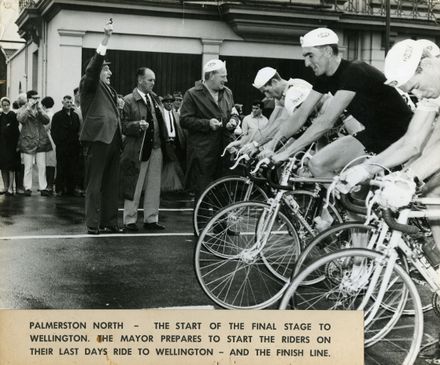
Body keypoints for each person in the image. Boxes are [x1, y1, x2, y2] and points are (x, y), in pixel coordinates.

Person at [334, 38, 440, 362]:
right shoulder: (432, 87)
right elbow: (411, 143)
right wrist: (368, 169)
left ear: (427, 65)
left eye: (417, 86)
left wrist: (409, 178)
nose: (417, 95)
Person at [269, 27, 413, 179]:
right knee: (317, 164)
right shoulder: (324, 77)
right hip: (376, 133)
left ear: (328, 51)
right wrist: (270, 146)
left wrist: (287, 152)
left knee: (354, 176)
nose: (306, 63)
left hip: (403, 133)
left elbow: (325, 122)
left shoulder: (354, 71)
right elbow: (300, 114)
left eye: (310, 55)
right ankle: (345, 200)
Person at [79, 20, 124, 234]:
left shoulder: (110, 90)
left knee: (111, 184)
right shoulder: (89, 84)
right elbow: (94, 66)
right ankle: (93, 224)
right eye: (106, 70)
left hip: (113, 139)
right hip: (98, 139)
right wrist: (105, 38)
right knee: (95, 184)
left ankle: (109, 221)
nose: (110, 73)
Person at [120, 67, 170, 232]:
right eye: (150, 80)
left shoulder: (155, 99)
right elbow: (122, 126)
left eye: (154, 80)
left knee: (154, 186)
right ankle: (129, 219)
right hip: (137, 149)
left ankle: (151, 219)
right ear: (140, 80)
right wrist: (137, 126)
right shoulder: (128, 100)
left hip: (156, 148)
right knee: (134, 184)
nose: (153, 83)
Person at [180, 59, 237, 199]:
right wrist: (207, 124)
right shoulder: (192, 94)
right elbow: (184, 120)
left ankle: (222, 221)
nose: (226, 80)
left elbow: (234, 112)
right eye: (223, 76)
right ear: (211, 75)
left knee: (223, 193)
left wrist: (234, 121)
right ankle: (202, 221)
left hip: (224, 151)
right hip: (203, 154)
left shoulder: (227, 92)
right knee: (203, 193)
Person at [17, 90, 52, 197]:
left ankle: (43, 188)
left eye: (38, 98)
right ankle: (27, 187)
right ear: (29, 99)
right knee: (28, 166)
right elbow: (20, 119)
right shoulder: (23, 109)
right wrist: (28, 108)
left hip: (40, 140)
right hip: (28, 140)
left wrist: (40, 110)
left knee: (42, 166)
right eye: (34, 98)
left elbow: (47, 120)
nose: (37, 100)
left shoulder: (40, 108)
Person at [51, 95, 81, 196]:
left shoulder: (75, 116)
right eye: (67, 102)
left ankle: (71, 189)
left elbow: (77, 130)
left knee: (73, 168)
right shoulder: (57, 116)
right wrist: (58, 143)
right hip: (62, 146)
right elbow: (53, 131)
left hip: (73, 146)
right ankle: (59, 188)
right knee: (61, 167)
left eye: (70, 102)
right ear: (63, 102)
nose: (69, 104)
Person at [161, 93, 186, 192]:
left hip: (175, 142)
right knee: (170, 163)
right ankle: (169, 186)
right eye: (167, 102)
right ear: (163, 103)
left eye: (171, 102)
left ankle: (171, 186)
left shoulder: (176, 114)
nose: (169, 104)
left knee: (174, 163)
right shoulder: (161, 114)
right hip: (166, 142)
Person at [0, 97, 20, 195]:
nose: (6, 107)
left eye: (7, 105)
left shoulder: (13, 115)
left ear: (10, 105)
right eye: (4, 105)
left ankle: (11, 188)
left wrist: (17, 145)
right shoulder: (0, 116)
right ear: (1, 106)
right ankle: (5, 186)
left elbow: (16, 131)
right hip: (2, 144)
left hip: (12, 144)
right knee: (3, 166)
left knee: (11, 167)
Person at [41, 96, 56, 195]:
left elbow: (44, 128)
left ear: (44, 105)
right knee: (49, 162)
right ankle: (48, 185)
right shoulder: (53, 114)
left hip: (47, 139)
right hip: (50, 139)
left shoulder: (47, 115)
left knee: (48, 163)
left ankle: (49, 185)